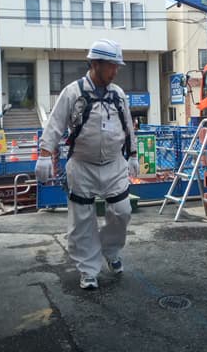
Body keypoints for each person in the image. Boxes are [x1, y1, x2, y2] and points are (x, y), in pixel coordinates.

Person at [35, 38, 139, 290]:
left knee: (122, 211)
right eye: (111, 66)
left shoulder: (118, 95)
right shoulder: (73, 92)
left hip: (114, 164)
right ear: (95, 63)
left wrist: (133, 154)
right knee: (82, 220)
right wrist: (44, 154)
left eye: (117, 66)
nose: (115, 71)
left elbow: (128, 126)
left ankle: (110, 250)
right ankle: (89, 270)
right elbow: (56, 124)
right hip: (82, 165)